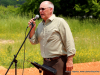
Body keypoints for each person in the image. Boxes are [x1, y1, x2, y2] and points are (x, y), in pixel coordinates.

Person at [28, 1, 76, 75]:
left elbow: (69, 41)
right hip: (45, 63)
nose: (40, 11)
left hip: (59, 62)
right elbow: (33, 41)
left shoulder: (60, 22)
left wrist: (70, 60)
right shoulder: (40, 25)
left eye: (43, 9)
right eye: (39, 9)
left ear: (50, 9)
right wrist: (32, 28)